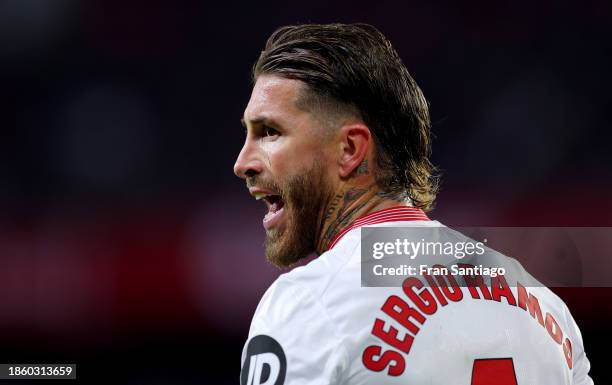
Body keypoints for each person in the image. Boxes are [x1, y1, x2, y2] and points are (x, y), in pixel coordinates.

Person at [234, 23, 593, 385]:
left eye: (270, 132)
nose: (242, 162)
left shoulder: (309, 303)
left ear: (349, 150)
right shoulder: (548, 311)